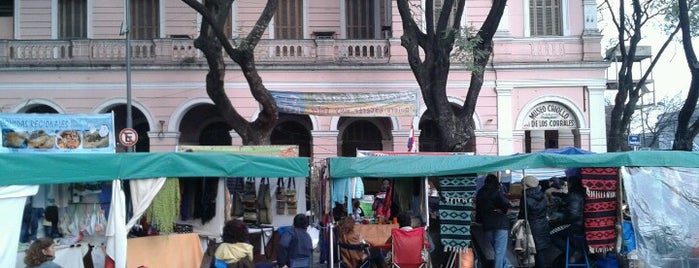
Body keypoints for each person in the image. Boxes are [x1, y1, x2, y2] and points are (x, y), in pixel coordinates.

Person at [475, 174, 513, 268]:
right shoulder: (496, 192)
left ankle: (507, 265)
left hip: (487, 224)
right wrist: (502, 210)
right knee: (500, 250)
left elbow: (478, 210)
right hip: (500, 224)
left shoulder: (480, 193)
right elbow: (507, 205)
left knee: (498, 249)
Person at [518, 176, 552, 268]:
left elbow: (523, 214)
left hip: (532, 226)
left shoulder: (525, 197)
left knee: (534, 251)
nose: (521, 187)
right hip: (543, 225)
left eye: (522, 185)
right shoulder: (542, 195)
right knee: (540, 251)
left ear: (526, 185)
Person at [550, 175, 585, 261]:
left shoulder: (574, 195)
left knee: (552, 233)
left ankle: (572, 252)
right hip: (577, 223)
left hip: (574, 225)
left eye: (568, 183)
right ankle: (571, 251)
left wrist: (560, 219)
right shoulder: (578, 193)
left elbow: (573, 215)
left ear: (572, 184)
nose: (567, 184)